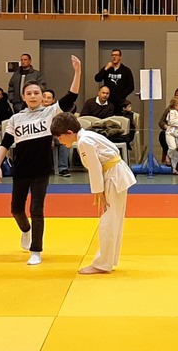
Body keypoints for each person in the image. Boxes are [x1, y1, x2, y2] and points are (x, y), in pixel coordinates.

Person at [0, 55, 81, 266]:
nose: (33, 96)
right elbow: (5, 143)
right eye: (29, 93)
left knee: (37, 210)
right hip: (21, 170)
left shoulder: (50, 112)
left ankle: (36, 250)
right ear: (23, 97)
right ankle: (26, 230)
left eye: (36, 93)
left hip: (41, 170)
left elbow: (71, 96)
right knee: (16, 209)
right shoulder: (16, 119)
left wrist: (77, 72)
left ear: (43, 96)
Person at [51, 112, 136, 274]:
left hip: (113, 177)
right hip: (115, 174)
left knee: (108, 222)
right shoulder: (88, 136)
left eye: (60, 138)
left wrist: (99, 192)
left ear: (69, 133)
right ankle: (108, 260)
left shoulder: (85, 141)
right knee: (113, 220)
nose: (60, 141)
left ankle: (102, 263)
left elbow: (95, 168)